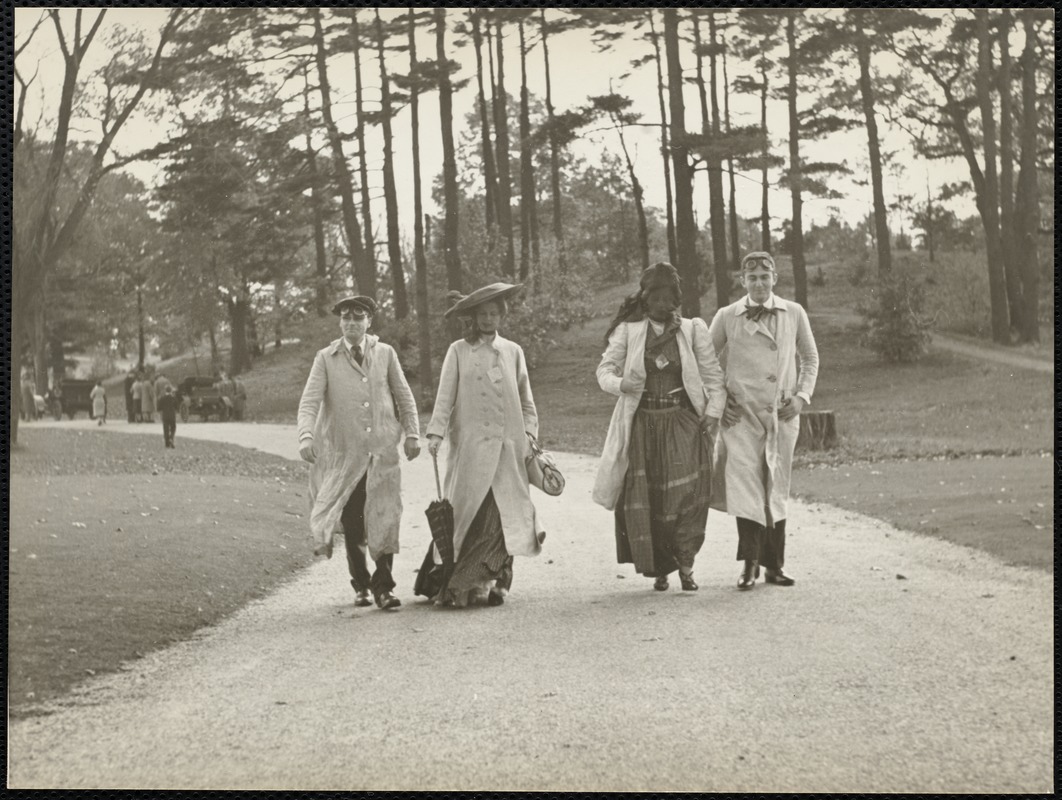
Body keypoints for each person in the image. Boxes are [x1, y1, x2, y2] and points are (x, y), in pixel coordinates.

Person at [592, 263, 726, 592]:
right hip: (642, 425)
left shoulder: (693, 329)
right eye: (658, 298)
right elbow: (604, 370)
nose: (664, 305)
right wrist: (622, 384)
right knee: (649, 497)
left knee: (686, 496)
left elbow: (714, 378)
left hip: (682, 422)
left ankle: (686, 566)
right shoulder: (629, 330)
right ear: (646, 297)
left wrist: (712, 411)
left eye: (671, 299)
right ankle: (660, 569)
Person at [423, 282, 545, 608]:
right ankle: (466, 581)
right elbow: (445, 397)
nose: (489, 319)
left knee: (505, 512)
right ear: (473, 318)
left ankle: (496, 581)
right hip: (472, 449)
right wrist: (435, 433)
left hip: (509, 449)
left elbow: (526, 400)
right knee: (471, 514)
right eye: (483, 315)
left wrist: (530, 434)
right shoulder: (459, 352)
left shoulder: (513, 351)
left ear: (501, 316)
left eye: (494, 313)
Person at [297, 295, 421, 611]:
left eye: (359, 317)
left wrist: (412, 434)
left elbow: (404, 397)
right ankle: (362, 584)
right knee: (353, 522)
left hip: (382, 453)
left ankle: (384, 588)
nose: (352, 323)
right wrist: (306, 436)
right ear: (340, 323)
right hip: (346, 455)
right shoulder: (326, 358)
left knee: (384, 516)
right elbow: (310, 401)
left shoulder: (386, 354)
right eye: (346, 319)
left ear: (369, 322)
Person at [708, 251, 819, 590]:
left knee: (776, 487)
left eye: (764, 276)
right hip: (740, 418)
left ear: (774, 279)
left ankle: (774, 566)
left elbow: (810, 357)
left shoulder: (794, 313)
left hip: (780, 414)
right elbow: (705, 361)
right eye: (752, 277)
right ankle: (749, 565)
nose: (759, 283)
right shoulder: (728, 316)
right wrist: (718, 400)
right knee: (745, 489)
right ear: (743, 281)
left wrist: (801, 397)